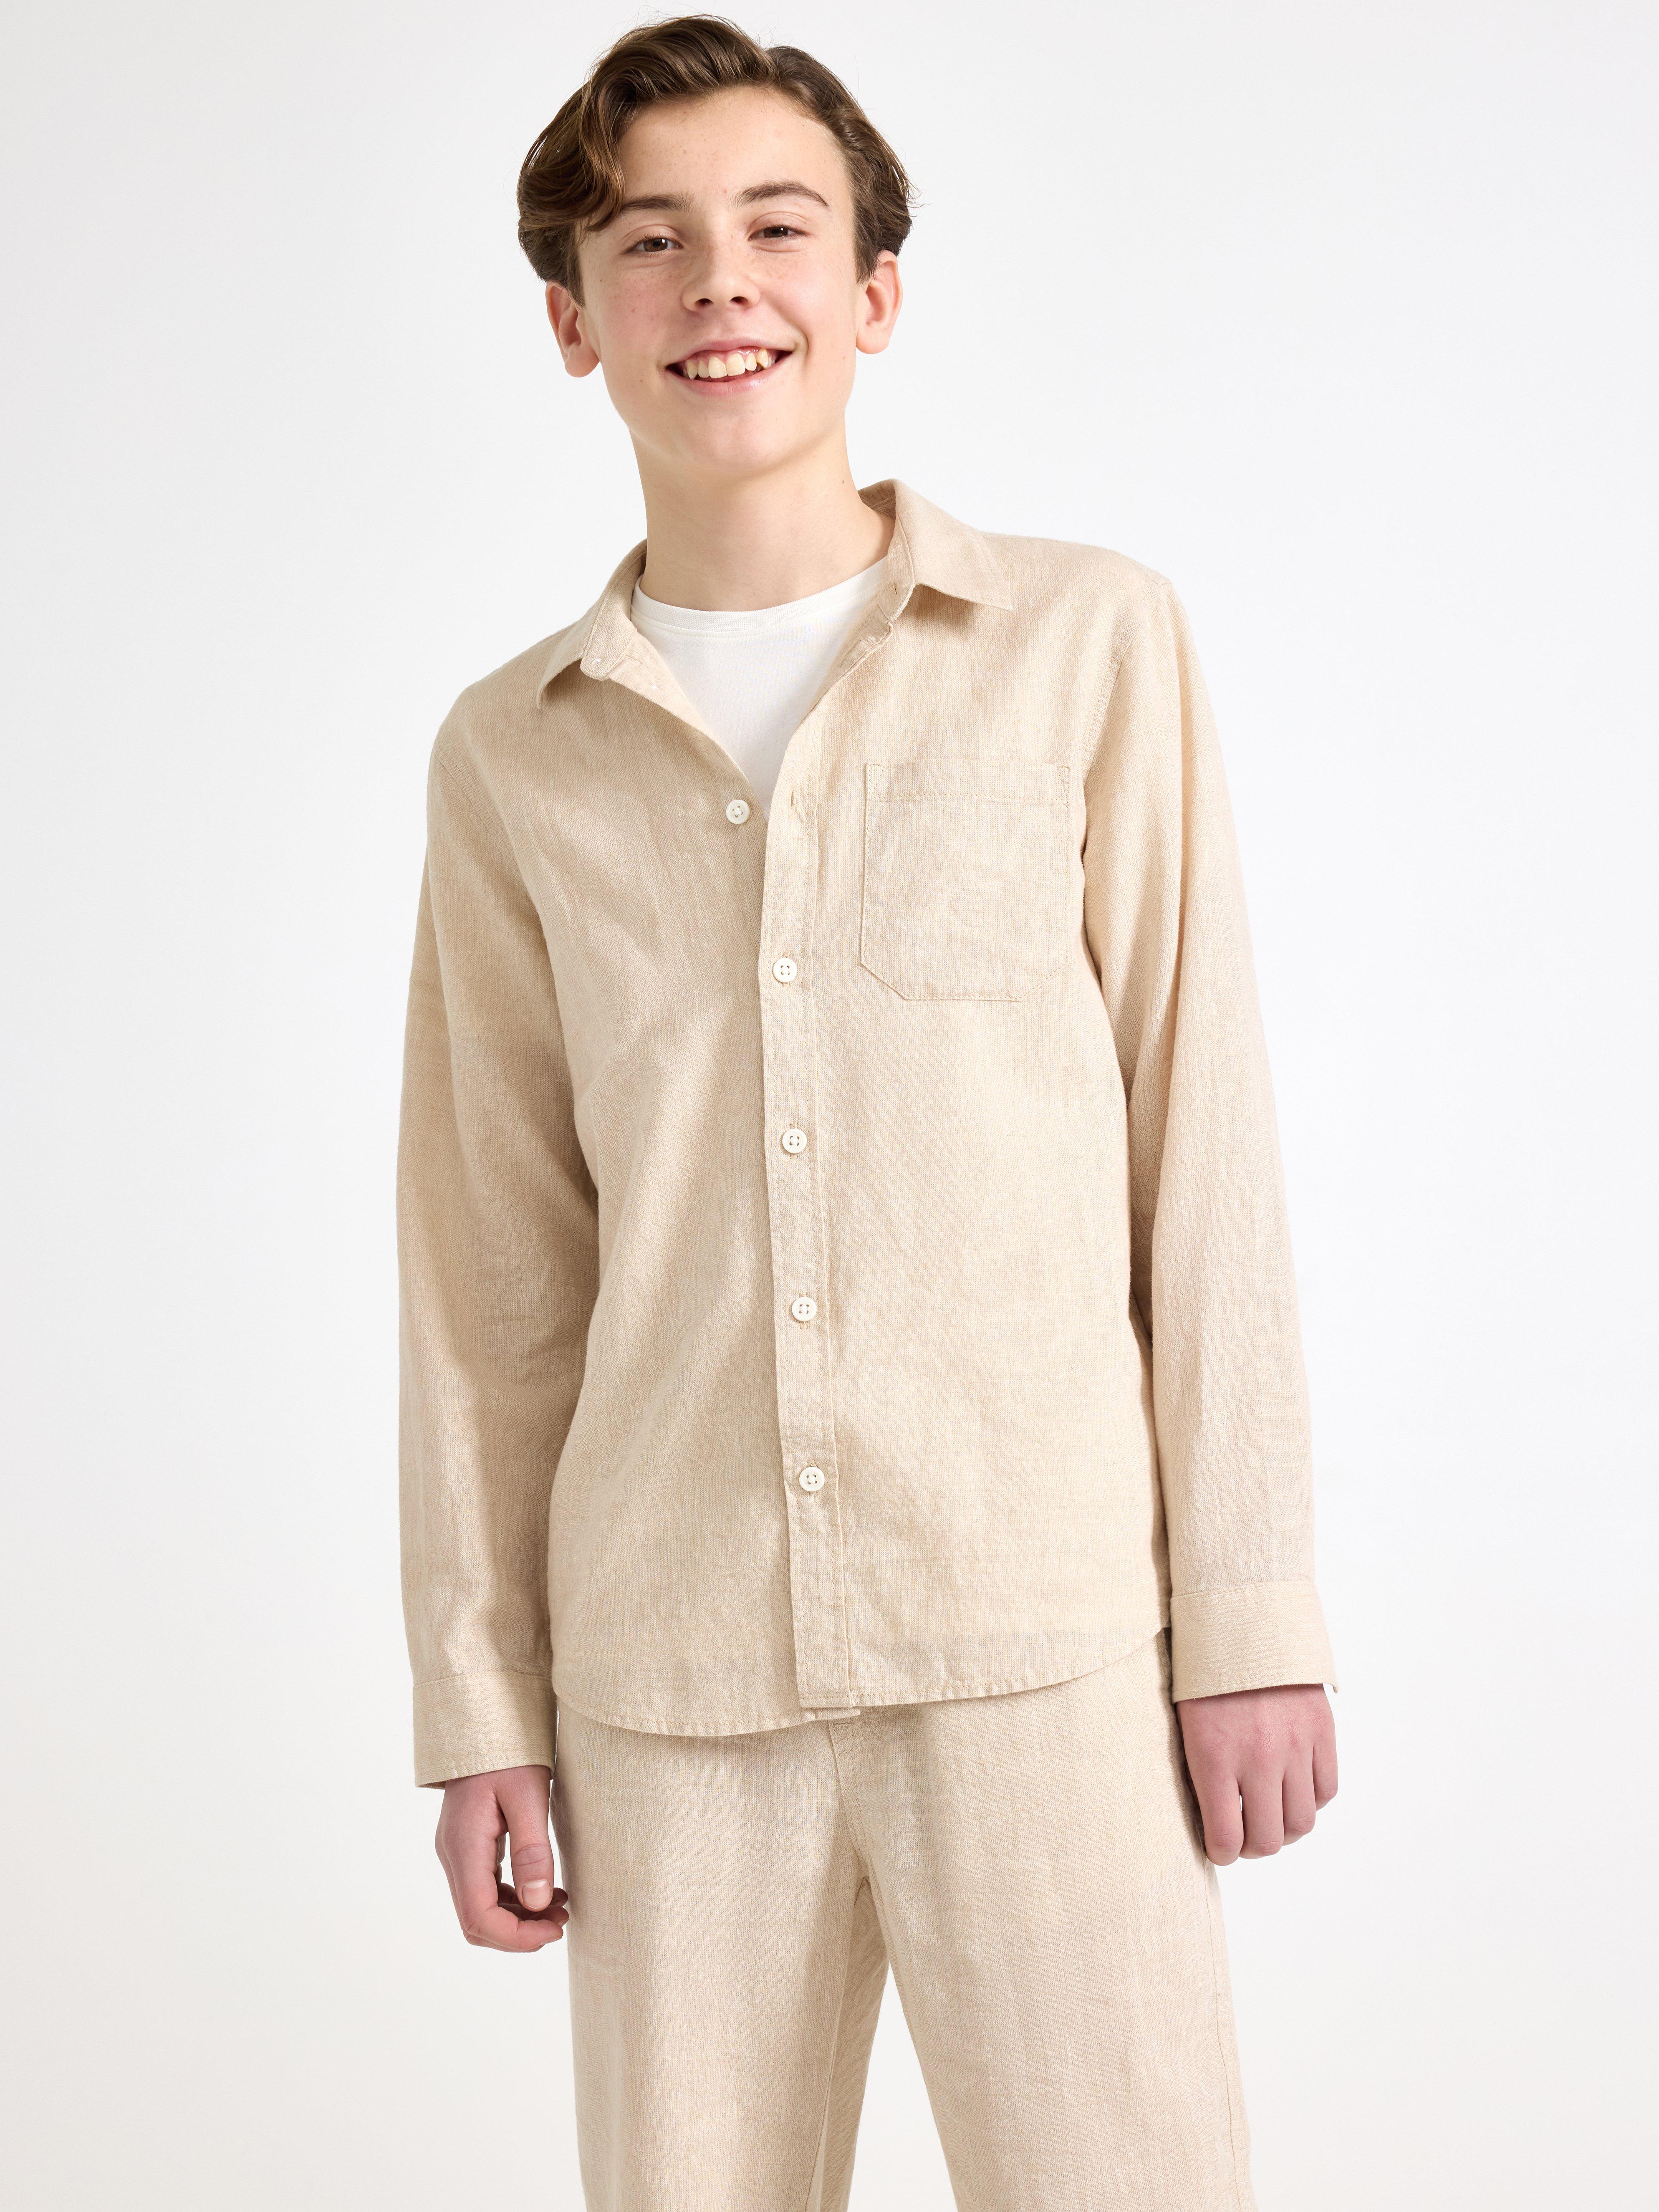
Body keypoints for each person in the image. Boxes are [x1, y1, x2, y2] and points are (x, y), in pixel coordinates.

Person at [397, 16, 1339, 2209]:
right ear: (575, 321)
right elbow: (488, 1268)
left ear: (875, 292)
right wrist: (482, 1703)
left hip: (1047, 1642)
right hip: (668, 1675)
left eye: (777, 226)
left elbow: (1199, 1151)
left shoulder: (1087, 647)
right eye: (650, 240)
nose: (719, 281)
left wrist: (1253, 1616)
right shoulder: (509, 755)